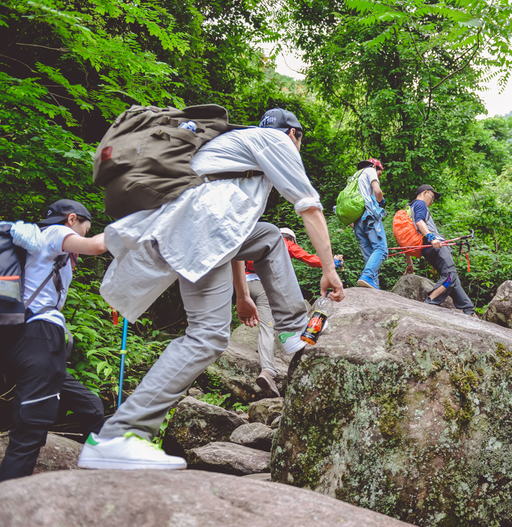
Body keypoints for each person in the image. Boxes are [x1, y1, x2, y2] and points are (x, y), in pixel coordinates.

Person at [78, 108, 344, 470]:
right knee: (206, 336)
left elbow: (238, 234)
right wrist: (328, 269)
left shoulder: (239, 145)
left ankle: (291, 331)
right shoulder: (276, 141)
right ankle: (119, 435)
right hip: (203, 227)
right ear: (294, 134)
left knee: (268, 237)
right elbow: (308, 206)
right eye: (300, 140)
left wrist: (243, 294)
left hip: (203, 227)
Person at [0, 200, 107, 481]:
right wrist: (134, 224)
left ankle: (100, 473)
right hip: (39, 337)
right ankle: (8, 500)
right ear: (71, 219)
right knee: (29, 433)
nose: (83, 235)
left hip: (22, 341)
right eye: (84, 228)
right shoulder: (56, 232)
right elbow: (96, 246)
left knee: (92, 406)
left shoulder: (33, 241)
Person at [235, 227, 343, 397]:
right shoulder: (283, 241)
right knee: (268, 326)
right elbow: (308, 258)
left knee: (267, 320)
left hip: (244, 284)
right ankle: (268, 369)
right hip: (261, 286)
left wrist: (242, 294)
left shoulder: (257, 240)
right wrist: (334, 264)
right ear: (291, 239)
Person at [410, 185, 475, 315]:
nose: (433, 200)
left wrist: (409, 263)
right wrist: (432, 238)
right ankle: (429, 302)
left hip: (428, 248)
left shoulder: (410, 207)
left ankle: (469, 309)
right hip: (434, 245)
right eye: (432, 196)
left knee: (453, 279)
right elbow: (419, 222)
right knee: (450, 275)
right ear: (425, 192)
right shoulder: (420, 204)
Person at [352, 158, 388, 290]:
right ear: (374, 166)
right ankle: (367, 276)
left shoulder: (354, 177)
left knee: (370, 254)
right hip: (369, 215)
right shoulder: (370, 171)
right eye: (379, 173)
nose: (379, 176)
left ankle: (373, 285)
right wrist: (381, 201)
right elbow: (377, 191)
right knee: (381, 249)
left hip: (356, 220)